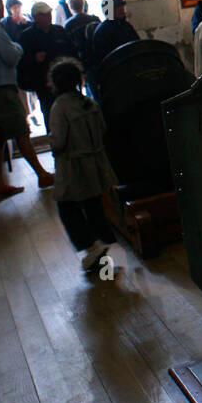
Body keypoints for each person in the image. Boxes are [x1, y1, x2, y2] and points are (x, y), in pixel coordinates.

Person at [0, 0, 55, 196]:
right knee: (21, 132)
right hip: (0, 90)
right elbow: (11, 56)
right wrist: (18, 47)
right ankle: (42, 174)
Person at [47, 57, 117, 271]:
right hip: (96, 162)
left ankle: (90, 245)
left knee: (66, 206)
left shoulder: (59, 107)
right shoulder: (89, 102)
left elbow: (58, 140)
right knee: (93, 204)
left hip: (73, 164)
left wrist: (52, 145)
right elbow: (103, 129)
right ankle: (103, 239)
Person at [17, 1, 76, 128]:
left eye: (49, 13)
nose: (49, 17)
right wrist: (34, 59)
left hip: (65, 81)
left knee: (70, 115)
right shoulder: (27, 37)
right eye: (44, 14)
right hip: (44, 84)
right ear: (36, 17)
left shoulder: (59, 31)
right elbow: (20, 62)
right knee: (51, 116)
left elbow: (72, 51)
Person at [90, 0, 139, 72]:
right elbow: (103, 57)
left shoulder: (125, 25)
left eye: (121, 6)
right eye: (117, 7)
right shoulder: (102, 30)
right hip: (115, 69)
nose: (122, 9)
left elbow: (136, 43)